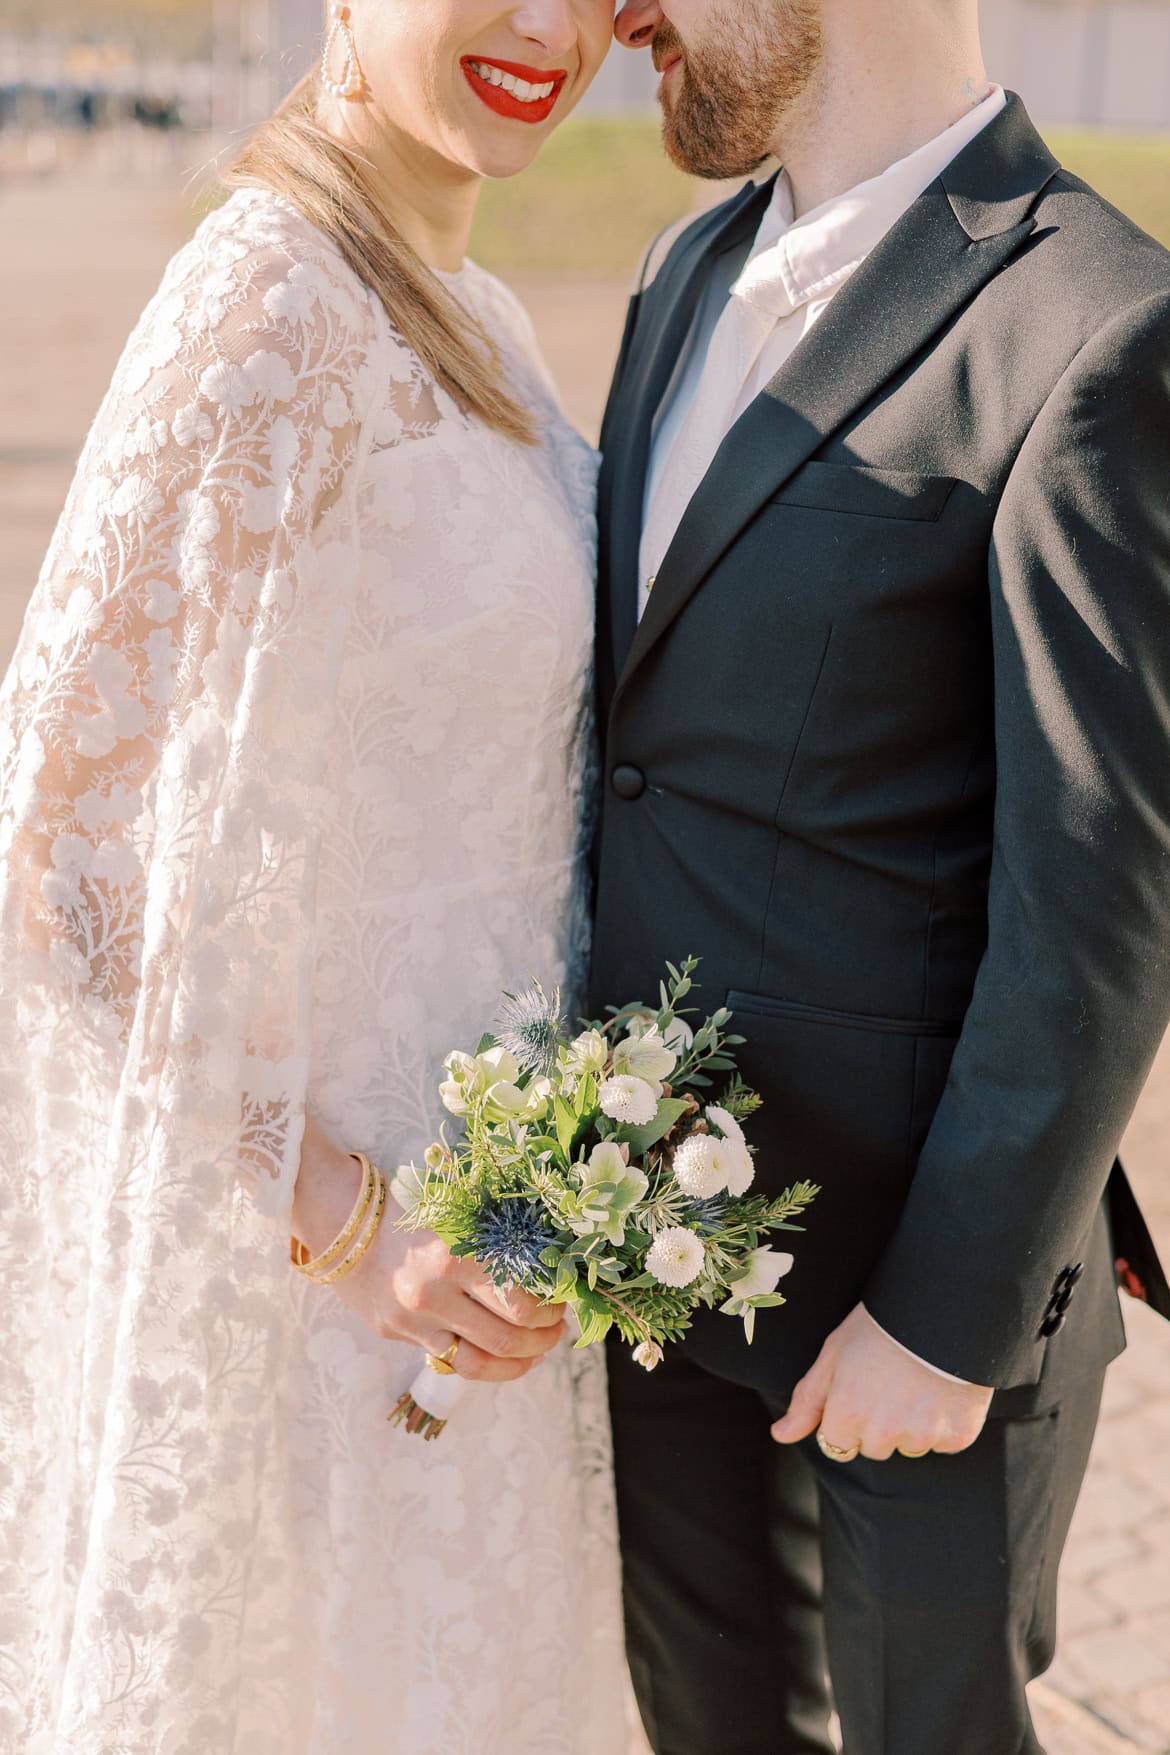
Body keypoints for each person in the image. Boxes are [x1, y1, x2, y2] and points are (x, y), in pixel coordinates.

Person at [0, 5, 630, 1752]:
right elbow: (49, 849)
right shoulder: (266, 296)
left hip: (491, 1282)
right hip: (340, 1292)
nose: (542, 27)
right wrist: (345, 1219)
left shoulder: (482, 314)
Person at [590, 2, 1170, 1752]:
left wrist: (943, 1319)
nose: (621, 14)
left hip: (904, 1328)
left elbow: (1098, 897)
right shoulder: (683, 269)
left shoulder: (1096, 323)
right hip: (657, 1266)